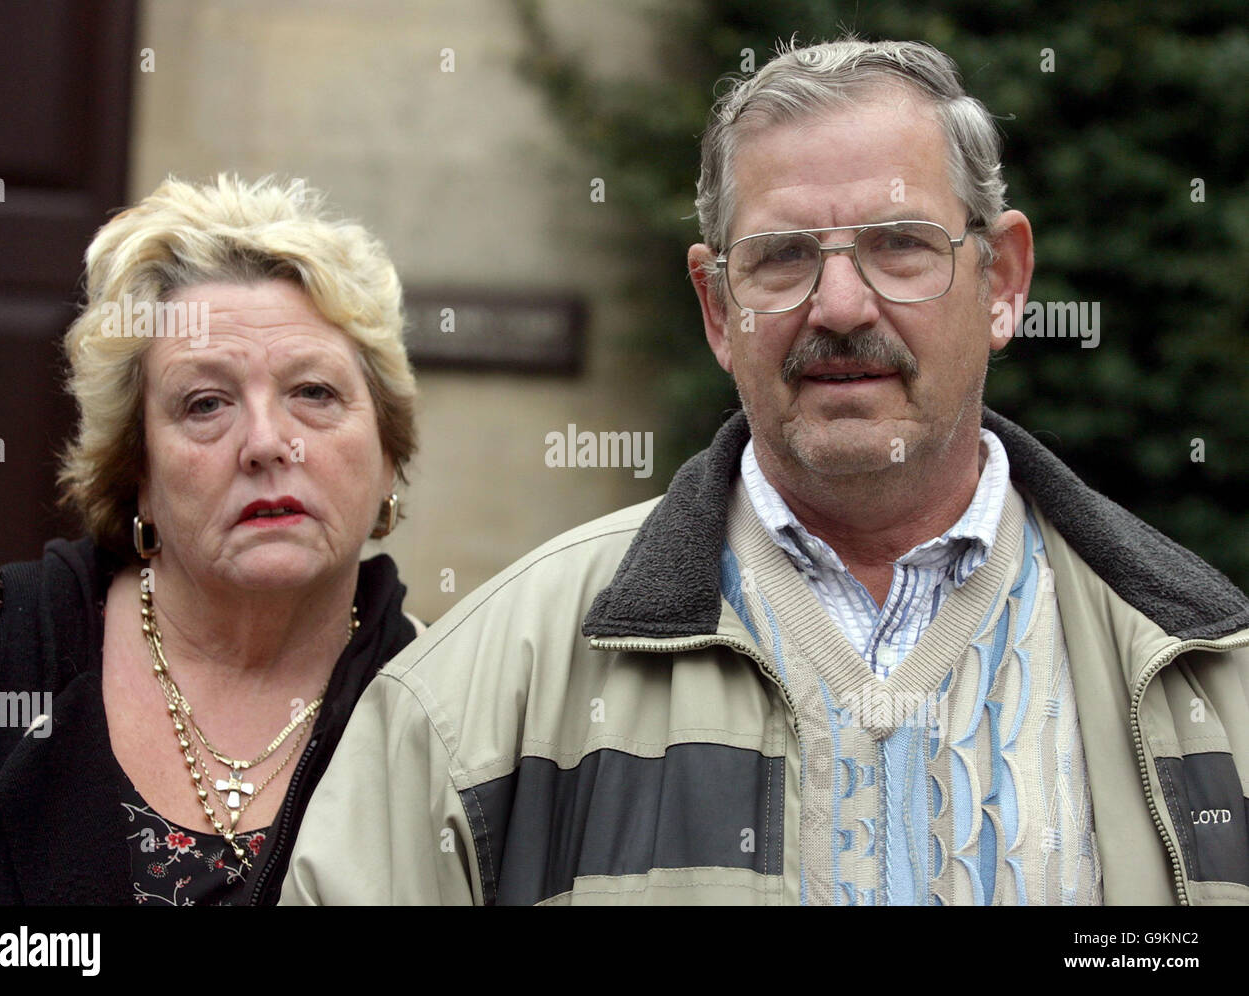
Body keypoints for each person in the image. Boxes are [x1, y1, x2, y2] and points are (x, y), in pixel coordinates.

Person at [281, 39, 1249, 906]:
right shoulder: (487, 696)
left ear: (1000, 282)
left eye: (898, 247)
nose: (837, 304)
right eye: (781, 259)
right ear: (716, 308)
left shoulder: (1207, 680)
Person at [0, 174, 422, 905]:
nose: (268, 443)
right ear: (135, 468)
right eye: (206, 403)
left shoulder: (452, 711)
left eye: (314, 393)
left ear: (388, 450)